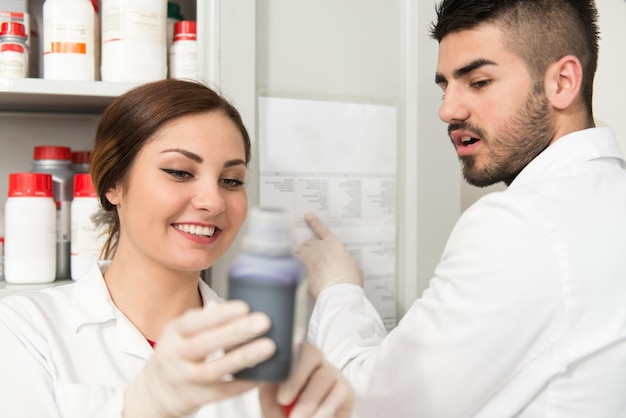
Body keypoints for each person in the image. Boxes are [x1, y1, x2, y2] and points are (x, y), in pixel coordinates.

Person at [297, 0, 626, 417]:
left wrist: (337, 287)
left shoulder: (518, 226)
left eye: (479, 81)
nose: (447, 110)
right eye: (445, 86)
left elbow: (366, 406)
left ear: (562, 82)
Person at [0, 79, 354, 418]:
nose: (213, 201)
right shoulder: (25, 329)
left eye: (231, 181)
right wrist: (143, 408)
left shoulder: (261, 348)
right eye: (179, 172)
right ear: (113, 184)